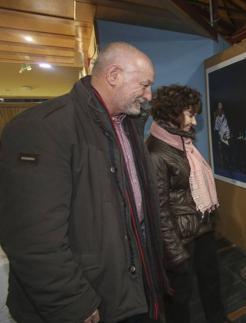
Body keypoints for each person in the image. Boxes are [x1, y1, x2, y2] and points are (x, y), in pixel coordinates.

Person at [0, 42, 167, 323]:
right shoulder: (42, 128)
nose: (149, 95)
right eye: (145, 84)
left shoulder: (127, 126)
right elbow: (32, 239)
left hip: (129, 289)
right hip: (88, 299)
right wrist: (73, 303)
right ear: (113, 75)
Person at [147, 85, 227, 323]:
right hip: (180, 239)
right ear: (174, 113)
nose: (193, 121)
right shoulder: (155, 152)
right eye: (190, 114)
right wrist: (175, 254)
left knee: (211, 282)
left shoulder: (182, 143)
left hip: (202, 228)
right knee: (179, 299)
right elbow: (159, 211)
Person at [214, 102, 231, 169]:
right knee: (223, 152)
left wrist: (227, 134)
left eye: (220, 110)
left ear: (222, 110)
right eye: (218, 110)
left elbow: (229, 126)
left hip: (228, 137)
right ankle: (225, 165)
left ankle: (229, 164)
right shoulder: (217, 119)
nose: (219, 111)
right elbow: (216, 129)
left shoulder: (227, 117)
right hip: (221, 138)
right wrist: (218, 137)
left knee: (228, 152)